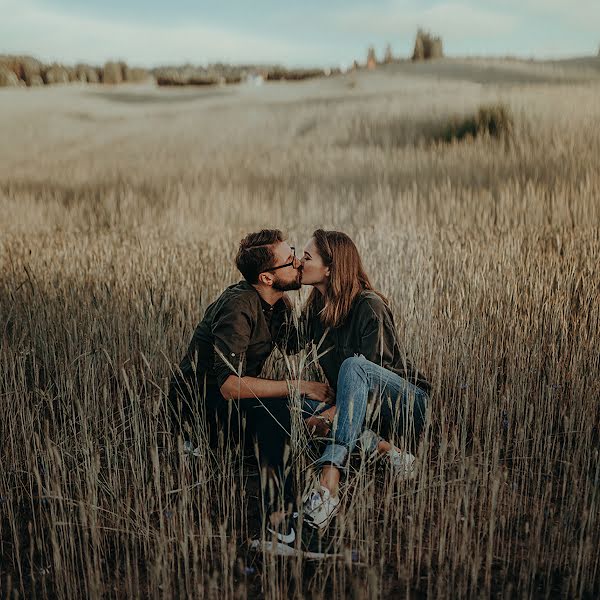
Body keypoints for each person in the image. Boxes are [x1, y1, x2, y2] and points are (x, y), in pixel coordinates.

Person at [168, 229, 334, 537]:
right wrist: (300, 386)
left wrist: (325, 291)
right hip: (198, 406)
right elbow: (230, 386)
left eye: (293, 252)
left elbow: (296, 344)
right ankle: (280, 521)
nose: (297, 262)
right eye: (289, 260)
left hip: (232, 400)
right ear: (267, 278)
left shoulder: (279, 305)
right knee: (275, 411)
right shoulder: (238, 306)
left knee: (286, 410)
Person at [299, 229, 432, 530]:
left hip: (405, 405)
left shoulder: (369, 305)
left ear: (331, 267)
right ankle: (391, 453)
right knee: (295, 404)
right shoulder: (314, 310)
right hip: (355, 409)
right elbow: (289, 345)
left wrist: (331, 414)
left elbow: (370, 384)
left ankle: (328, 485)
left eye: (306, 257)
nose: (299, 262)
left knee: (353, 367)